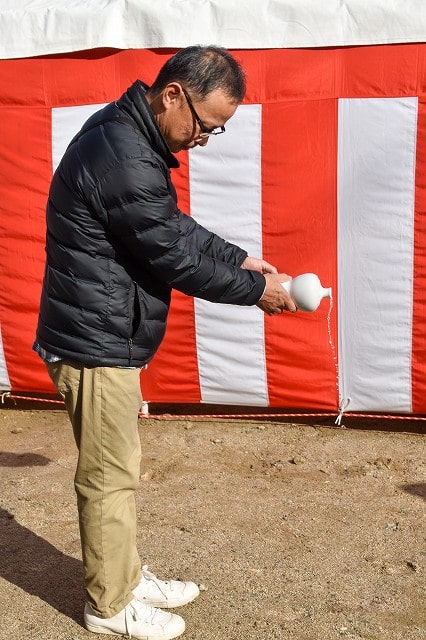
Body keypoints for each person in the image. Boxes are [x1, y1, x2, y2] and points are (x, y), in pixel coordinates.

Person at [33, 45, 296, 640]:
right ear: (173, 94)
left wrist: (238, 258)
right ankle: (110, 606)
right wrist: (257, 292)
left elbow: (169, 223)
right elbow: (172, 255)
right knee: (109, 477)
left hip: (100, 331)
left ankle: (123, 575)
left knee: (117, 469)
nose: (204, 138)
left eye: (217, 129)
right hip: (93, 342)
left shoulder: (131, 138)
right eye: (205, 125)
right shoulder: (125, 151)